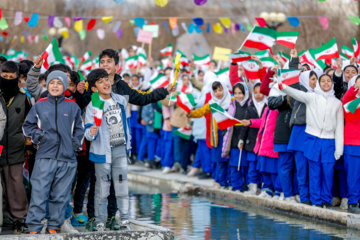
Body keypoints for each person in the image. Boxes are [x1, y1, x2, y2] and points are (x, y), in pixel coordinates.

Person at [23, 70, 84, 234]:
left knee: (60, 196)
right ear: (47, 85)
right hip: (45, 156)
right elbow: (27, 126)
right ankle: (35, 226)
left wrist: (75, 144)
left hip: (67, 158)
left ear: (64, 86)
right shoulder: (39, 105)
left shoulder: (72, 107)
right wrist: (39, 136)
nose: (55, 86)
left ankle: (53, 226)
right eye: (52, 83)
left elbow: (79, 128)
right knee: (39, 192)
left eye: (59, 83)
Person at [279, 74, 344, 209]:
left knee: (328, 172)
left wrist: (339, 149)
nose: (326, 83)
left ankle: (326, 199)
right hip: (312, 139)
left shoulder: (337, 103)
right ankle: (316, 201)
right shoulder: (312, 97)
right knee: (314, 172)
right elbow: (296, 94)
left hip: (329, 141)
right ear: (319, 84)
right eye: (323, 81)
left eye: (328, 81)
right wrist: (282, 86)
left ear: (332, 84)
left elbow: (339, 128)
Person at [84, 69, 132, 231]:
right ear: (93, 88)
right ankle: (99, 221)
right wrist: (90, 133)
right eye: (100, 82)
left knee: (122, 188)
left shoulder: (120, 100)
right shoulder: (93, 105)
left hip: (120, 150)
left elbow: (126, 123)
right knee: (102, 189)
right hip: (102, 153)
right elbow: (88, 129)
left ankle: (125, 220)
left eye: (106, 79)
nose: (106, 83)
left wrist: (129, 145)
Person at [0, 61, 31, 234]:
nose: (8, 80)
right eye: (4, 77)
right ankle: (2, 217)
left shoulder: (23, 97)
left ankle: (20, 219)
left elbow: (29, 122)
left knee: (16, 185)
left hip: (16, 148)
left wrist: (27, 145)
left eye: (12, 77)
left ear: (18, 78)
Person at [188, 81, 231, 189]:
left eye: (220, 90)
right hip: (217, 136)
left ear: (225, 90)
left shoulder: (231, 101)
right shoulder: (212, 103)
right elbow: (201, 112)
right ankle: (217, 181)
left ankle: (224, 181)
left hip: (228, 136)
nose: (218, 93)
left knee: (226, 160)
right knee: (217, 160)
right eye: (215, 91)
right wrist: (191, 113)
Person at [287, 70, 317, 205]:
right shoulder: (299, 93)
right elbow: (292, 85)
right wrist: (293, 62)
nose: (315, 82)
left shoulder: (321, 95)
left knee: (313, 168)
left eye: (316, 78)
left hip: (314, 133)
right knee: (301, 168)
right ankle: (304, 197)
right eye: (312, 79)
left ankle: (314, 195)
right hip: (299, 133)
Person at [222, 82, 249, 192]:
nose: (238, 95)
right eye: (236, 93)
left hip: (246, 138)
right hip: (233, 138)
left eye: (241, 93)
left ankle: (247, 185)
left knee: (245, 165)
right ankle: (236, 185)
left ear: (245, 93)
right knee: (234, 164)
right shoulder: (232, 105)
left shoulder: (250, 105)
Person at [240, 83, 267, 195]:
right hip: (251, 143)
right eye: (255, 92)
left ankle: (263, 188)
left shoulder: (268, 106)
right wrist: (241, 139)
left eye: (260, 92)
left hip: (263, 144)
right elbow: (245, 126)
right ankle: (253, 187)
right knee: (252, 166)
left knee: (262, 166)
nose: (258, 95)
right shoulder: (250, 108)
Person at [342, 75, 360, 213]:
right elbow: (345, 99)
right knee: (353, 175)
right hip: (353, 144)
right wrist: (355, 87)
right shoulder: (351, 102)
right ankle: (353, 202)